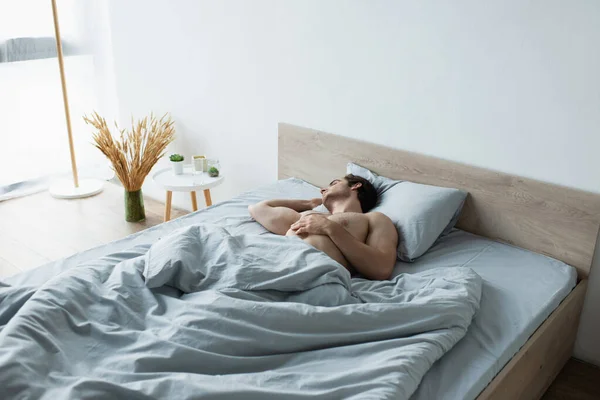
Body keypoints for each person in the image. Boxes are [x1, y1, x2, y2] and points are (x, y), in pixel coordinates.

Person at [248, 174, 398, 280]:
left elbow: (381, 268)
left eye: (334, 183)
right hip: (276, 262)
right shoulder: (308, 216)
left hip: (315, 273)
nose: (322, 189)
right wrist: (307, 204)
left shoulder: (373, 219)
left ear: (355, 186)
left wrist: (329, 227)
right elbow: (258, 209)